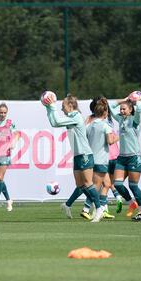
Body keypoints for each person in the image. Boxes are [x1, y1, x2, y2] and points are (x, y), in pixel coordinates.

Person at [43, 94, 104, 222]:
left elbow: (58, 121)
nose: (61, 109)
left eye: (63, 106)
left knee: (88, 183)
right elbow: (54, 122)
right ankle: (72, 205)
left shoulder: (76, 116)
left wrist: (52, 106)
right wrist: (48, 107)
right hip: (78, 155)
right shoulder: (70, 116)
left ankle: (99, 209)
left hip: (85, 155)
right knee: (80, 185)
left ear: (70, 105)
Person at [81, 97, 118, 220]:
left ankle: (102, 208)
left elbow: (84, 139)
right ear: (105, 113)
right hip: (101, 160)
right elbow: (110, 141)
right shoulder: (106, 126)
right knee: (96, 186)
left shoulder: (90, 125)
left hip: (91, 158)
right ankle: (90, 210)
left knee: (106, 183)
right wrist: (119, 136)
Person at [108, 96, 141, 217]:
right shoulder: (120, 119)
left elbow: (139, 109)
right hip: (122, 158)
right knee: (117, 184)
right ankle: (131, 203)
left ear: (130, 110)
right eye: (121, 109)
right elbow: (110, 106)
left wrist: (138, 99)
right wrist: (124, 99)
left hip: (134, 157)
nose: (121, 111)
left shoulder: (134, 120)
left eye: (124, 109)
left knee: (133, 186)